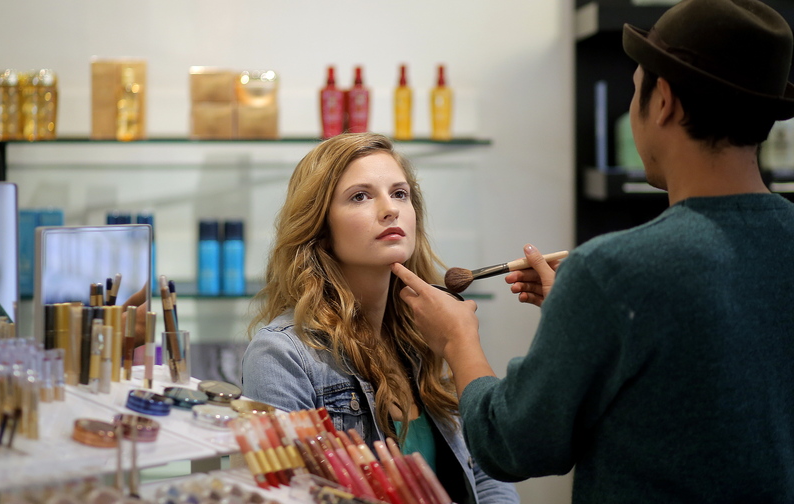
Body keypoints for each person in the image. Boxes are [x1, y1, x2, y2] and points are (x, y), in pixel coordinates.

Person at [391, 0, 794, 501]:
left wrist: (457, 342)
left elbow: (512, 444)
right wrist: (582, 313)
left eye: (634, 92)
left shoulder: (614, 272)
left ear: (662, 100)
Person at [241, 132, 519, 503]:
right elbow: (284, 494)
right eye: (360, 196)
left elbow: (487, 472)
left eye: (400, 193)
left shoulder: (426, 335)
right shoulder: (282, 355)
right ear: (321, 229)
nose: (390, 209)